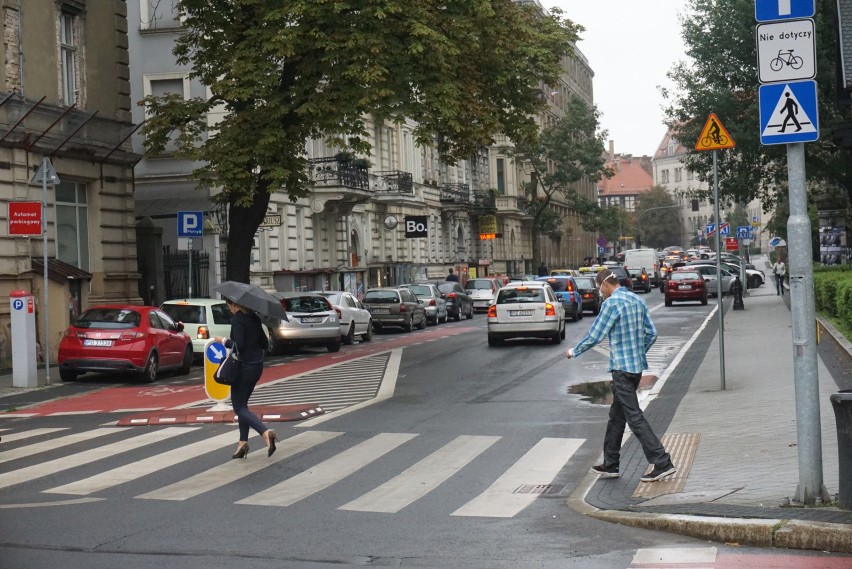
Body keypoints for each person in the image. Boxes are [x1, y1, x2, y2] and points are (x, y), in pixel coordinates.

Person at [565, 269, 676, 483]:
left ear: (605, 285)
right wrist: (638, 351)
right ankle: (611, 464)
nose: (601, 294)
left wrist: (574, 351)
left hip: (622, 370)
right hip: (635, 369)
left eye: (600, 289)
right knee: (617, 417)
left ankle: (662, 462)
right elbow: (652, 333)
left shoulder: (611, 304)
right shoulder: (637, 300)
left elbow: (595, 335)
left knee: (634, 417)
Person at [214, 299, 277, 459]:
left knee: (239, 407)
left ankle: (265, 432)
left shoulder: (238, 319)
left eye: (229, 305)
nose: (229, 309)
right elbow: (264, 342)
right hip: (257, 367)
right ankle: (243, 443)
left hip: (243, 368)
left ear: (235, 305)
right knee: (243, 405)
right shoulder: (254, 318)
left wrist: (223, 341)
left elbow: (238, 345)